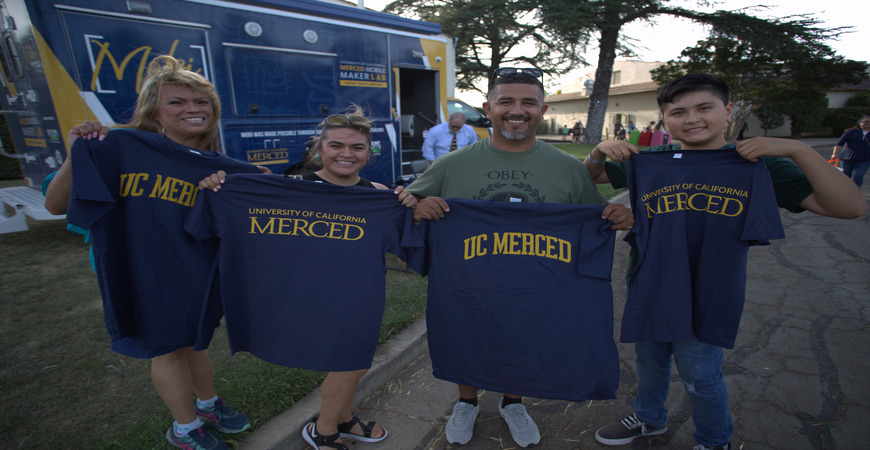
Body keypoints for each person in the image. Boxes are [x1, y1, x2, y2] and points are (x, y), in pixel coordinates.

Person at [583, 73, 866, 450]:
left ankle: (715, 440)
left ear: (727, 110)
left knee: (699, 372)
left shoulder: (755, 164)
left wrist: (798, 150)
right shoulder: (652, 161)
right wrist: (600, 149)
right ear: (664, 119)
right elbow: (594, 174)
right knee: (649, 359)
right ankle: (650, 418)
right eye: (678, 111)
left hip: (709, 286)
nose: (692, 119)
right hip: (650, 278)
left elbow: (849, 207)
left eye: (704, 108)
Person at [408, 67, 634, 448]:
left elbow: (595, 219)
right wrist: (417, 206)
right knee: (468, 335)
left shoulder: (567, 168)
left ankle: (514, 401)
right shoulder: (452, 164)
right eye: (506, 101)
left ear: (543, 109)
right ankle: (467, 401)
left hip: (539, 286)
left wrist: (617, 216)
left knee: (523, 338)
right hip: (470, 283)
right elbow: (409, 201)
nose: (517, 110)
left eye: (528, 102)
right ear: (488, 108)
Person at [48, 55, 260, 450]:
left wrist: (246, 184)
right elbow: (56, 206)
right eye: (177, 102)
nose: (193, 109)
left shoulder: (225, 168)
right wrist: (76, 152)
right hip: (143, 272)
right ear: (154, 112)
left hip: (198, 271)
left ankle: (208, 404)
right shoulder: (119, 146)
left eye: (202, 102)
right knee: (167, 349)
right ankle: (185, 429)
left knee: (194, 341)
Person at [198, 106, 417, 450]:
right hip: (302, 292)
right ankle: (324, 430)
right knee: (349, 362)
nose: (347, 154)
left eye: (357, 147)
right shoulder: (289, 189)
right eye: (336, 146)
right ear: (320, 148)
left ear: (368, 151)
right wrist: (221, 186)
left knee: (356, 361)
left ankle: (342, 418)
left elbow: (407, 243)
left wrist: (407, 201)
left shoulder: (378, 195)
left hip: (356, 294)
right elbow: (238, 214)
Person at [831, 115, 870, 187]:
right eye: (865, 121)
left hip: (864, 158)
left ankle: (855, 192)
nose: (867, 123)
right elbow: (840, 143)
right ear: (860, 123)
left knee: (858, 175)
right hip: (847, 157)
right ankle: (845, 191)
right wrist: (835, 153)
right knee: (846, 176)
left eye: (869, 121)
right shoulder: (852, 132)